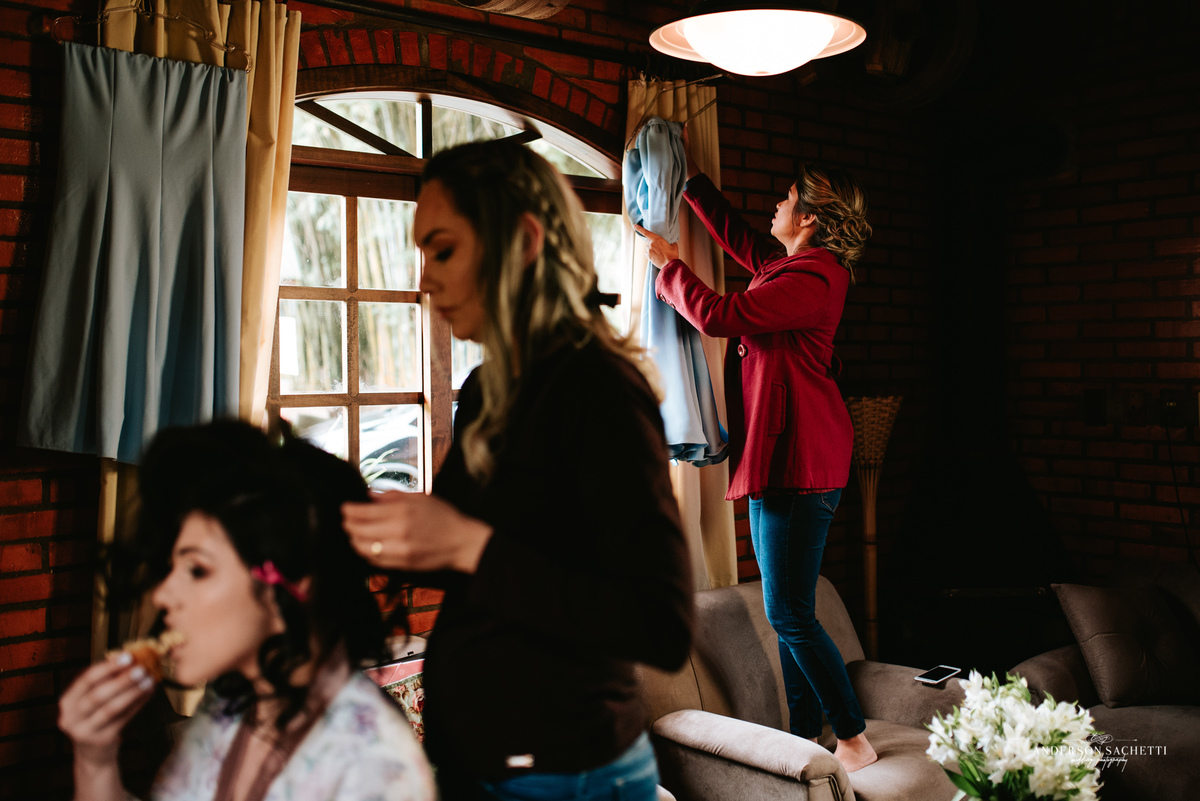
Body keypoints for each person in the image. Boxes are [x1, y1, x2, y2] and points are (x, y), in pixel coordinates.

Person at [341, 139, 694, 801]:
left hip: (568, 777)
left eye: (443, 250)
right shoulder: (485, 389)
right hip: (479, 765)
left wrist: (470, 546)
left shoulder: (599, 389)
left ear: (524, 241)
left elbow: (660, 623)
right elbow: (466, 559)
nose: (424, 280)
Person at [635, 137, 877, 772]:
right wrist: (690, 181)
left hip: (801, 462)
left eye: (787, 198)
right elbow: (743, 240)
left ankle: (852, 737)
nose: (776, 204)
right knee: (788, 611)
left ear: (809, 218)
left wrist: (670, 268)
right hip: (782, 462)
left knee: (789, 613)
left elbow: (721, 315)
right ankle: (807, 737)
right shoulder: (790, 267)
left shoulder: (816, 277)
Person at [58, 420, 436, 801]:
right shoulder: (231, 702)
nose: (163, 596)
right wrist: (95, 762)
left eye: (198, 570)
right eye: (171, 567)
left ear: (291, 581)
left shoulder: (371, 763)